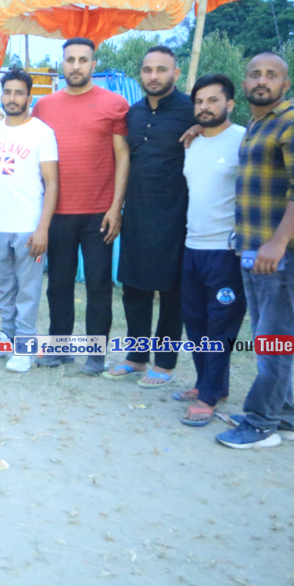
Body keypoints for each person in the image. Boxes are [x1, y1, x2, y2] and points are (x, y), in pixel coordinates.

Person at [216, 52, 294, 449]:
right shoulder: (258, 124)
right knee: (268, 336)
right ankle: (285, 418)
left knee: (273, 339)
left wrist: (278, 242)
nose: (262, 80)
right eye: (255, 74)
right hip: (254, 247)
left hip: (281, 252)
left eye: (271, 75)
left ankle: (261, 424)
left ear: (285, 83)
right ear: (245, 83)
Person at [31, 37, 129, 375]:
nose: (76, 66)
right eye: (70, 59)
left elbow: (122, 157)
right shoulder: (43, 106)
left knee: (99, 285)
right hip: (57, 212)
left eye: (83, 60)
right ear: (62, 63)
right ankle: (60, 348)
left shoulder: (115, 104)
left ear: (93, 64)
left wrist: (116, 207)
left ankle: (95, 354)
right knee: (58, 284)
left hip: (99, 213)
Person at [106, 46, 191, 386]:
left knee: (172, 291)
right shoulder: (134, 113)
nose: (153, 76)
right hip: (138, 210)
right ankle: (137, 357)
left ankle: (165, 363)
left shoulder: (191, 110)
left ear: (176, 73)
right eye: (147, 69)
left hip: (177, 213)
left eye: (161, 69)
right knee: (134, 286)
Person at [174, 74, 248, 426]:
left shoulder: (244, 140)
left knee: (221, 325)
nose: (205, 107)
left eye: (213, 100)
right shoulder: (192, 141)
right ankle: (211, 383)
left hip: (227, 251)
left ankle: (208, 397)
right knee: (195, 321)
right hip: (193, 246)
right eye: (199, 101)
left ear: (229, 104)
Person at [0, 69, 58, 372]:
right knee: (4, 287)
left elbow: (52, 183)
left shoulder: (42, 133)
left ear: (29, 97)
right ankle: (6, 338)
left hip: (28, 225)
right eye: (7, 92)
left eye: (19, 93)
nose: (12, 98)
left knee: (28, 290)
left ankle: (25, 345)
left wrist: (43, 228)